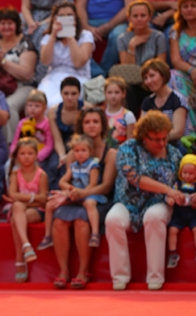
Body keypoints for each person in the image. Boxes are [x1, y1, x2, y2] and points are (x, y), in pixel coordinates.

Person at [106, 111, 182, 291]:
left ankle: (155, 277)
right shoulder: (127, 149)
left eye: (164, 138)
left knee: (154, 217)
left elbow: (180, 182)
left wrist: (177, 193)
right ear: (143, 136)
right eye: (156, 139)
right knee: (112, 220)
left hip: (159, 202)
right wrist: (167, 189)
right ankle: (120, 277)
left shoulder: (174, 153)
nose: (162, 143)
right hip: (127, 201)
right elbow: (135, 179)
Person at [46, 107, 116, 287]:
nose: (91, 125)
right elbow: (68, 181)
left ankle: (83, 271)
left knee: (81, 220)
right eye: (87, 122)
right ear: (81, 126)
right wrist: (68, 193)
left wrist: (80, 194)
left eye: (95, 122)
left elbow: (106, 187)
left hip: (98, 200)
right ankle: (63, 271)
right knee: (59, 220)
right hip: (75, 197)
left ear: (103, 125)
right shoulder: (72, 153)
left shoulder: (110, 153)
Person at [0, 6, 38, 141]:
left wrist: (2, 62)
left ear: (17, 25)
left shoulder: (25, 44)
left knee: (8, 105)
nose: (6, 27)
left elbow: (27, 74)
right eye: (3, 23)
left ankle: (10, 145)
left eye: (10, 23)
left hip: (22, 86)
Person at [44, 134, 107, 258]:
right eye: (77, 151)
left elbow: (93, 185)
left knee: (89, 204)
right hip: (75, 194)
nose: (80, 154)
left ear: (90, 151)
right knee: (50, 203)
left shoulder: (93, 166)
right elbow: (62, 182)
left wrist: (80, 193)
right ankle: (48, 236)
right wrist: (71, 189)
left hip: (89, 194)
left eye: (83, 150)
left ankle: (95, 233)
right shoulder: (73, 166)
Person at [5, 137, 48, 281]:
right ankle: (26, 246)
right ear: (17, 156)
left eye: (30, 153)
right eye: (22, 153)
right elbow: (12, 194)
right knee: (17, 207)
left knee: (15, 217)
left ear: (36, 155)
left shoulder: (41, 174)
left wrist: (24, 200)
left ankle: (20, 258)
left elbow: (43, 199)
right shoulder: (15, 174)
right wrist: (33, 198)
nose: (26, 157)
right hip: (20, 210)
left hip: (36, 211)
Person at [39, 1, 95, 107]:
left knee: (57, 104)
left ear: (75, 18)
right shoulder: (47, 38)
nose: (65, 19)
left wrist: (70, 35)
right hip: (53, 77)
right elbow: (45, 61)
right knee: (41, 102)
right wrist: (53, 35)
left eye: (69, 16)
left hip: (78, 77)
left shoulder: (85, 36)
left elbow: (79, 62)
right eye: (61, 16)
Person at [116, 0, 168, 112]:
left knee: (155, 82)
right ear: (129, 18)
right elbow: (128, 71)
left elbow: (160, 66)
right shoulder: (122, 39)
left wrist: (146, 78)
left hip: (151, 79)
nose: (139, 19)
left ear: (150, 17)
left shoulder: (158, 37)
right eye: (135, 16)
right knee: (128, 88)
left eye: (143, 15)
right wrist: (131, 47)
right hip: (133, 82)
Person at [10, 90, 57, 187]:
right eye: (30, 105)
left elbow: (49, 145)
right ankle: (12, 188)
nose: (32, 109)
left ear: (44, 108)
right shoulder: (22, 123)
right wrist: (14, 154)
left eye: (37, 106)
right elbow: (15, 142)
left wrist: (37, 157)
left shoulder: (47, 123)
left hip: (39, 157)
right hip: (23, 155)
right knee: (8, 165)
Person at [139, 59, 188, 145]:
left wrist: (156, 140)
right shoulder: (147, 101)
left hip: (174, 144)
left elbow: (178, 132)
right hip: (152, 143)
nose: (148, 81)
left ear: (163, 75)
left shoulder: (177, 99)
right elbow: (141, 128)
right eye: (145, 78)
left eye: (152, 76)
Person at [168, 0, 196, 132]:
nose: (189, 9)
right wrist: (192, 70)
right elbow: (176, 60)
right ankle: (187, 130)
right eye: (185, 6)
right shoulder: (176, 32)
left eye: (193, 6)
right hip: (187, 73)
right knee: (173, 76)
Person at [165, 154, 196, 268]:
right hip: (179, 215)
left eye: (191, 173)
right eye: (185, 172)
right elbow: (170, 193)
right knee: (172, 230)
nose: (187, 176)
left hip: (193, 215)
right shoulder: (177, 184)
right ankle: (173, 254)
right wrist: (170, 199)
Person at [47, 77, 84, 170]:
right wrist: (62, 156)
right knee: (54, 166)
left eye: (73, 94)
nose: (69, 97)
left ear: (79, 94)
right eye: (66, 93)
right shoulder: (53, 111)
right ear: (61, 93)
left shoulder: (86, 109)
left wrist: (72, 155)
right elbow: (57, 139)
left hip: (82, 146)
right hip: (61, 146)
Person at [103, 76, 136, 146]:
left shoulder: (128, 115)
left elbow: (130, 140)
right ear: (105, 94)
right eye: (109, 92)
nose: (113, 96)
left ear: (123, 94)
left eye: (117, 92)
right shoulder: (101, 114)